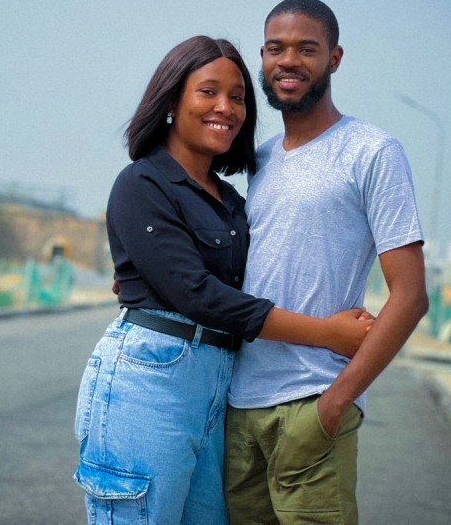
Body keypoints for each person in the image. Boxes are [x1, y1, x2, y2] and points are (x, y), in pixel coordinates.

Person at [73, 35, 374, 524]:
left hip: (220, 386)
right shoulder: (142, 182)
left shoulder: (234, 203)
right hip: (150, 382)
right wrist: (328, 334)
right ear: (172, 101)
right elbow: (200, 295)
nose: (226, 108)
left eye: (237, 97)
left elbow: (251, 277)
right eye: (208, 92)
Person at [224, 0, 429, 524]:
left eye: (306, 49)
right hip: (240, 413)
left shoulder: (371, 151)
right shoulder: (261, 159)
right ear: (262, 59)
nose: (288, 61)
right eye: (275, 48)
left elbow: (410, 296)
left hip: (311, 404)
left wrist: (336, 403)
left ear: (334, 59)